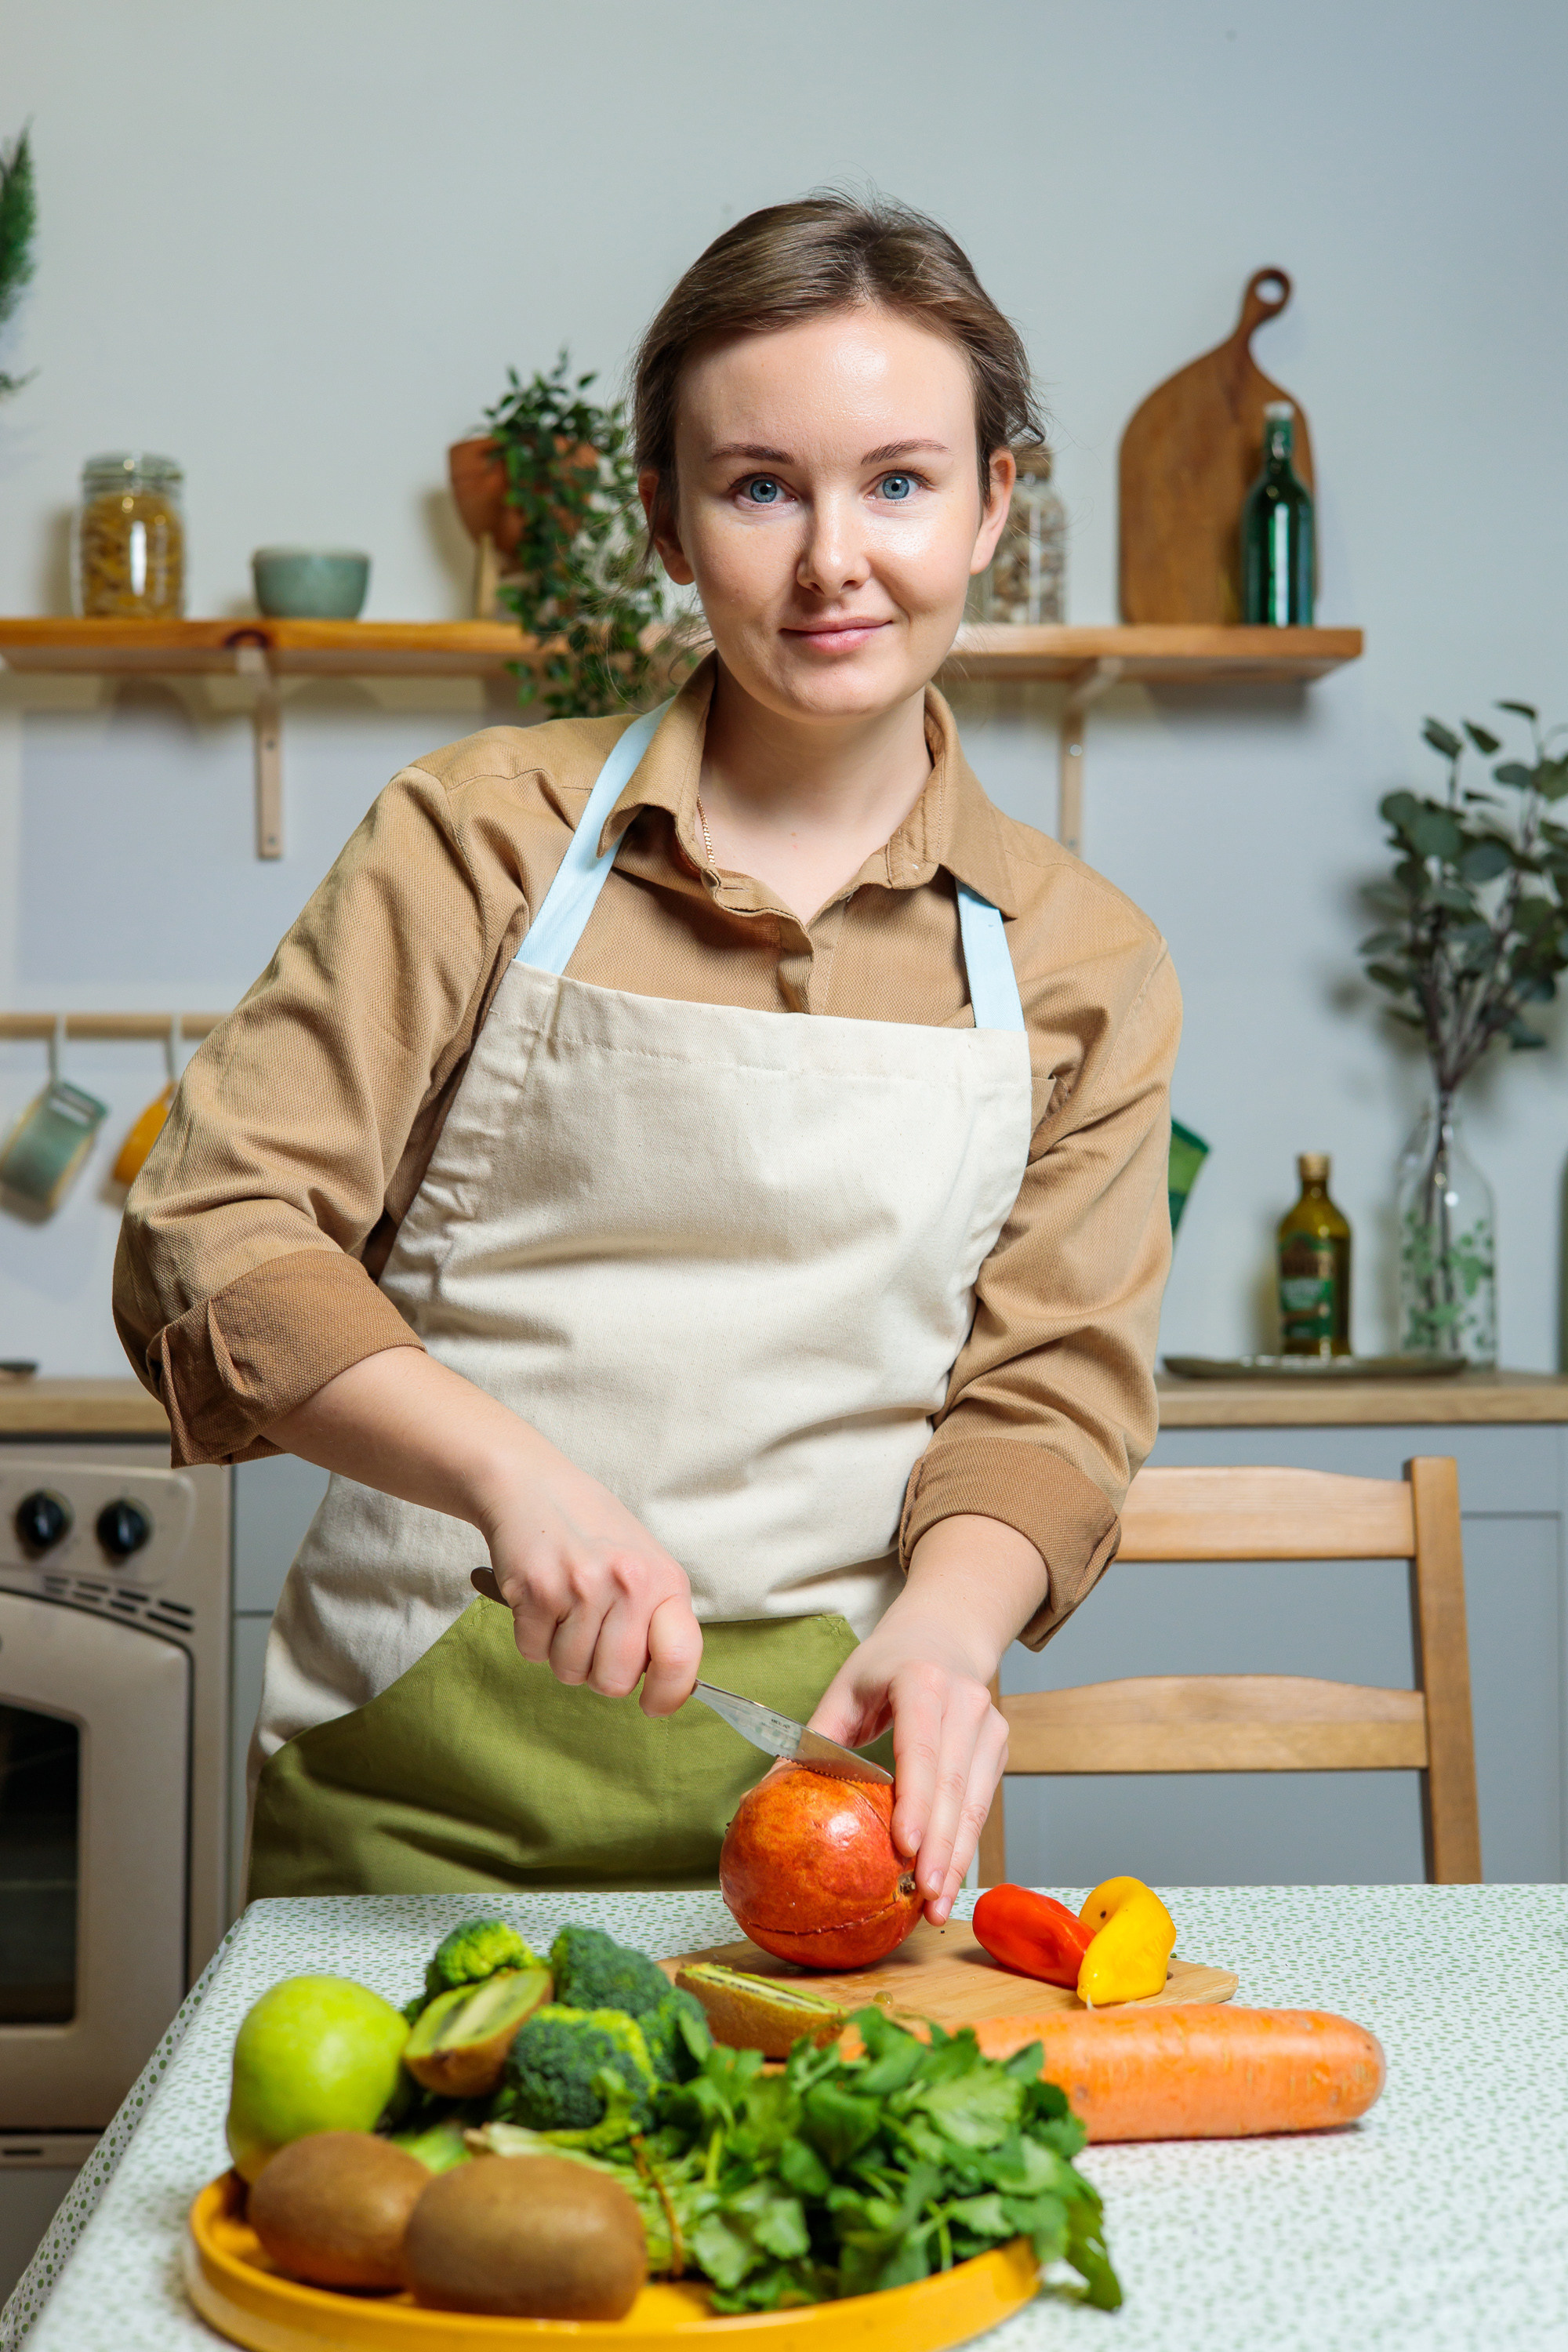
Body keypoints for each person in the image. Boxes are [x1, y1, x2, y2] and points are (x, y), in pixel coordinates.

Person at [114, 194, 1179, 1922]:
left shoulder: (1083, 962)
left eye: (899, 481)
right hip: (417, 1788)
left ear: (995, 503)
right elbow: (209, 1233)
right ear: (670, 528)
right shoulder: (477, 841)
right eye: (760, 485)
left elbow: (1046, 1401)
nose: (836, 558)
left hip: (840, 1800)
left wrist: (950, 1624)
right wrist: (509, 1472)